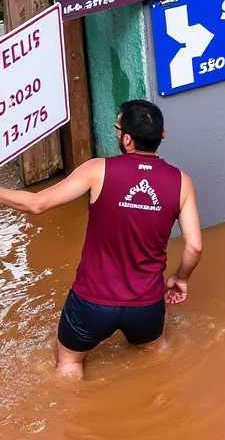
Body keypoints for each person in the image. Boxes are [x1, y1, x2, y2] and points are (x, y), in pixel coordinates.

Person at [0, 100, 201, 379]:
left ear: (127, 139)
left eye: (118, 129)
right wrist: (181, 278)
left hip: (91, 304)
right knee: (159, 355)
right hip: (146, 305)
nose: (117, 134)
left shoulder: (97, 170)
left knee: (69, 364)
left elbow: (37, 204)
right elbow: (194, 246)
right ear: (162, 134)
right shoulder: (182, 182)